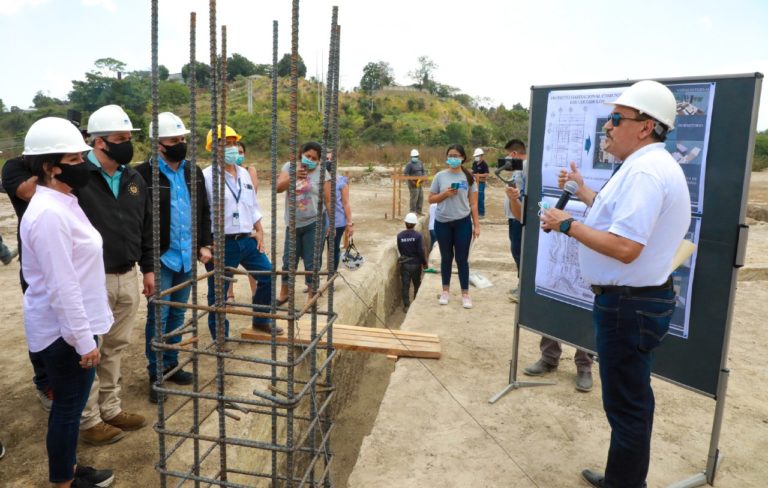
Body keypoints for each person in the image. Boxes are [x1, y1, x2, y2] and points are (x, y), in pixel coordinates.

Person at [539, 80, 689, 488]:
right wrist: (583, 191)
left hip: (629, 306)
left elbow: (625, 247)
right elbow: (614, 217)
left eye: (616, 119)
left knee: (627, 407)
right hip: (632, 304)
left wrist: (565, 223)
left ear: (645, 126)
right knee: (630, 401)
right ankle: (622, 477)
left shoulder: (645, 172)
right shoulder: (642, 167)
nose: (607, 127)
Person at [21, 117, 115, 488]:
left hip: (73, 327)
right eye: (75, 160)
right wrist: (83, 340)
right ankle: (63, 480)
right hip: (65, 335)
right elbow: (62, 286)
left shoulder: (64, 202)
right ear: (49, 166)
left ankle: (69, 468)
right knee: (67, 410)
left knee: (71, 408)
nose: (84, 166)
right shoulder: (48, 215)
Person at [77, 104, 153, 445]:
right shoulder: (78, 178)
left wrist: (148, 268)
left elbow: (146, 226)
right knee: (90, 348)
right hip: (92, 279)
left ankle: (111, 408)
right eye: (120, 138)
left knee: (116, 347)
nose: (127, 144)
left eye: (129, 138)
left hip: (128, 275)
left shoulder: (134, 178)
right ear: (99, 142)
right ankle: (89, 418)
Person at [136, 112, 213, 403]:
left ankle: (170, 364)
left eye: (182, 139)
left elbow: (204, 210)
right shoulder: (143, 175)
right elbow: (140, 221)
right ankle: (156, 373)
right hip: (161, 257)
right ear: (159, 144)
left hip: (186, 255)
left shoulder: (192, 171)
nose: (180, 144)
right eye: (173, 140)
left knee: (178, 313)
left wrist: (205, 243)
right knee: (160, 315)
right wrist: (146, 265)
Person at [203, 125, 279, 339]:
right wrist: (206, 242)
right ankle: (221, 338)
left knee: (267, 275)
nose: (231, 147)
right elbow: (200, 212)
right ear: (212, 148)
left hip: (247, 240)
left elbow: (251, 206)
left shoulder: (244, 173)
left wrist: (260, 230)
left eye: (233, 143)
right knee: (218, 293)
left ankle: (262, 320)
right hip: (222, 242)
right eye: (225, 143)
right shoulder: (206, 177)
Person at [2, 155, 53, 411]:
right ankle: (44, 383)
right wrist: (54, 169)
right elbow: (27, 192)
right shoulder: (15, 166)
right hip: (36, 263)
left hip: (67, 254)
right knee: (42, 324)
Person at [276, 141, 332, 303]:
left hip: (314, 223)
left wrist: (332, 225)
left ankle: (311, 295)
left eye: (314, 158)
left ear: (319, 160)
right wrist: (293, 177)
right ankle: (284, 293)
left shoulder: (323, 174)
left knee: (311, 261)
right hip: (293, 224)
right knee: (288, 261)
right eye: (307, 156)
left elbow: (328, 201)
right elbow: (278, 187)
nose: (310, 160)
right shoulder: (289, 167)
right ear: (301, 154)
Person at [428, 144, 480, 309]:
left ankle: (465, 294)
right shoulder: (440, 176)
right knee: (446, 257)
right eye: (450, 155)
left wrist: (476, 226)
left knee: (462, 259)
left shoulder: (469, 177)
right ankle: (445, 291)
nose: (453, 158)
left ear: (463, 158)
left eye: (456, 155)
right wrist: (444, 194)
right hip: (442, 223)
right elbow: (430, 199)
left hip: (463, 223)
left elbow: (473, 204)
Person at [226, 141, 259, 303]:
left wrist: (258, 229)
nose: (237, 155)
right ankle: (229, 295)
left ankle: (256, 295)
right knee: (226, 269)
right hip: (226, 231)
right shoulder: (209, 175)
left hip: (246, 225)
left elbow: (253, 197)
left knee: (261, 270)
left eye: (240, 152)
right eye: (234, 151)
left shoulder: (247, 172)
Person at [326, 152, 354, 272]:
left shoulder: (341, 181)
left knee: (333, 249)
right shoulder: (316, 180)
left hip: (337, 222)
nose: (329, 161)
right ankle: (311, 282)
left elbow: (346, 203)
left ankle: (331, 276)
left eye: (331, 159)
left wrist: (349, 224)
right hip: (320, 222)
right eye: (326, 158)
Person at [397, 212, 427, 313]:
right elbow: (420, 251)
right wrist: (424, 263)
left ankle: (406, 305)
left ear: (405, 223)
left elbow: (400, 250)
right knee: (417, 283)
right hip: (416, 264)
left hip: (405, 264)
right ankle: (415, 303)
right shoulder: (418, 236)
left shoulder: (400, 236)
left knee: (405, 285)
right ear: (414, 224)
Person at [403, 148, 425, 215]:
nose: (415, 158)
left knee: (420, 197)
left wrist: (423, 178)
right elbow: (406, 174)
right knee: (414, 197)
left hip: (419, 183)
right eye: (413, 157)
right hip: (412, 184)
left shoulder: (420, 163)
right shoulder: (409, 164)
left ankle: (419, 211)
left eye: (416, 156)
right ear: (411, 157)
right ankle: (412, 211)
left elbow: (423, 172)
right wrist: (411, 181)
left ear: (418, 156)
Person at [471, 148, 490, 218]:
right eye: (476, 156)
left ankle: (481, 213)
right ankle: (473, 212)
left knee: (480, 197)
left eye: (478, 156)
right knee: (473, 197)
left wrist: (478, 175)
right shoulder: (474, 163)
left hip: (481, 182)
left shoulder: (484, 164)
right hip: (474, 182)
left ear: (481, 156)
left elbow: (487, 174)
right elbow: (473, 171)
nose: (476, 157)